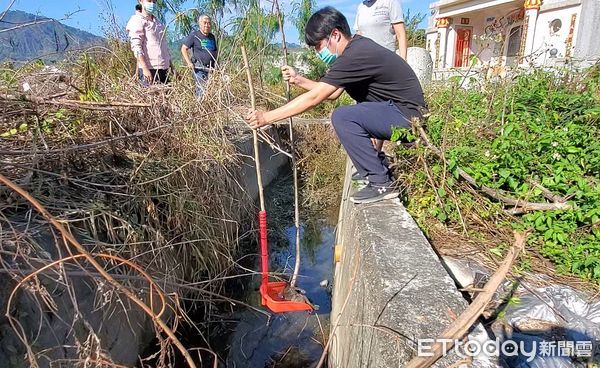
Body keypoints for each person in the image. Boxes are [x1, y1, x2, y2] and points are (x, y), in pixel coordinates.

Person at [246, 7, 426, 204]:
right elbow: (332, 93)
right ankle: (378, 169)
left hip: (408, 118)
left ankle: (381, 182)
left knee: (343, 116)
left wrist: (266, 117)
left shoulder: (355, 55)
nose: (318, 52)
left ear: (335, 34)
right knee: (347, 113)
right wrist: (298, 80)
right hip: (404, 115)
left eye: (318, 46)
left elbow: (314, 98)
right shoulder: (355, 51)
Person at [354, 0, 408, 162]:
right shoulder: (361, 7)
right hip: (364, 66)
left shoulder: (390, 2)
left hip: (386, 65)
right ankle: (370, 152)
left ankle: (376, 152)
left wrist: (403, 65)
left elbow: (401, 35)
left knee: (381, 108)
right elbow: (358, 37)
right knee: (364, 107)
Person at [127, 0, 173, 85]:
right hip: (150, 69)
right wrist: (144, 68)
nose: (152, 3)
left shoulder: (158, 23)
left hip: (164, 68)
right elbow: (136, 47)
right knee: (151, 96)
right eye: (149, 1)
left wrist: (172, 67)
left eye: (154, 1)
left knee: (165, 97)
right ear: (141, 1)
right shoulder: (137, 20)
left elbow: (165, 47)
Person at [181, 15, 218, 96]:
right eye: (205, 23)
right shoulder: (194, 35)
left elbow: (215, 51)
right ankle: (200, 107)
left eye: (209, 23)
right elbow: (184, 49)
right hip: (199, 69)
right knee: (201, 90)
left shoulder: (212, 37)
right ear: (200, 24)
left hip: (211, 69)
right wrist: (189, 63)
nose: (207, 25)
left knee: (211, 91)